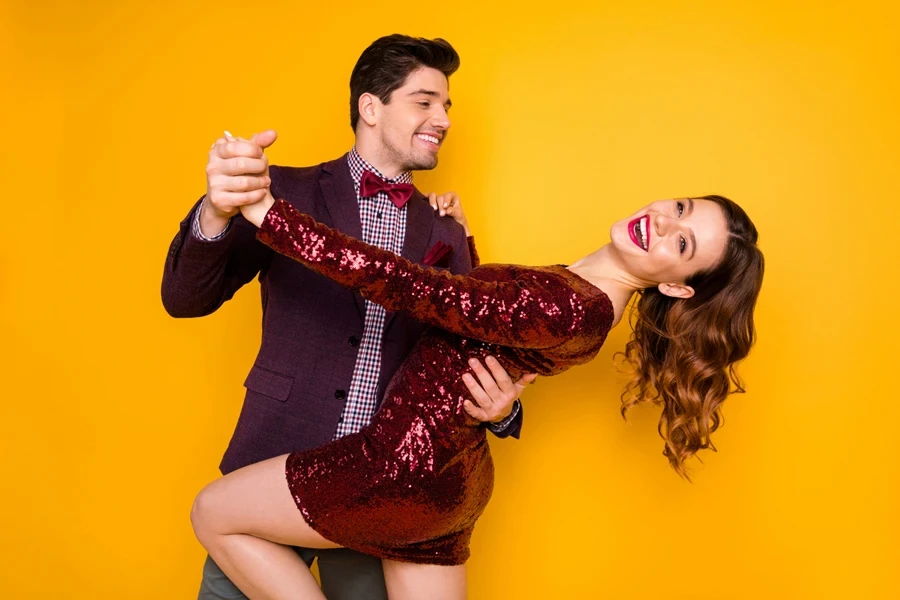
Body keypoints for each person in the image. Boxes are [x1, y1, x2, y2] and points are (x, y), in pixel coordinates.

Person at [190, 187, 765, 599]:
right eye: (682, 208)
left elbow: (415, 289)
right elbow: (481, 320)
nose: (663, 223)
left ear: (672, 284)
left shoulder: (573, 305)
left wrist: (273, 217)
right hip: (449, 482)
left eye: (683, 243)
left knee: (213, 512)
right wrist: (461, 240)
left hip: (399, 466)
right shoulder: (582, 291)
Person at [162, 34, 530, 600]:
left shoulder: (447, 231)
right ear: (370, 106)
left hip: (375, 494)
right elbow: (187, 299)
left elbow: (462, 358)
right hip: (269, 470)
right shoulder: (279, 191)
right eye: (425, 101)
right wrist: (215, 209)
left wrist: (505, 412)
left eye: (447, 106)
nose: (443, 119)